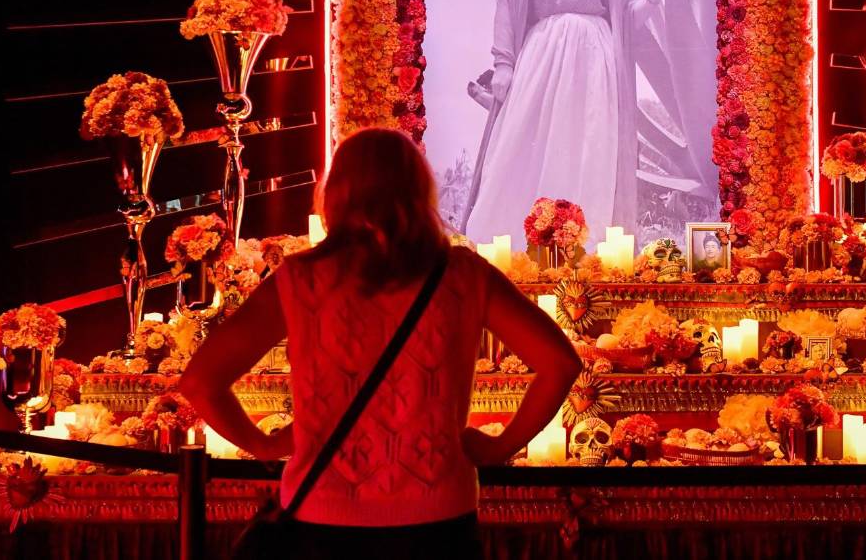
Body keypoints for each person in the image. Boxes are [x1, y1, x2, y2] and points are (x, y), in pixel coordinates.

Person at [181, 127, 582, 558]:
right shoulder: (463, 275)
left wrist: (262, 443)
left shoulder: (299, 279)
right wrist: (502, 445)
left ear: (335, 194)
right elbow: (559, 362)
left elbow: (202, 380)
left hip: (324, 516)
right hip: (438, 517)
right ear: (420, 190)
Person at [463, 0, 666, 248]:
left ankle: (580, 248)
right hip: (545, 51)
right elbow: (506, 3)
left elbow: (625, 19)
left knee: (588, 141)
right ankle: (508, 247)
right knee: (525, 138)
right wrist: (503, 64)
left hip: (595, 58)